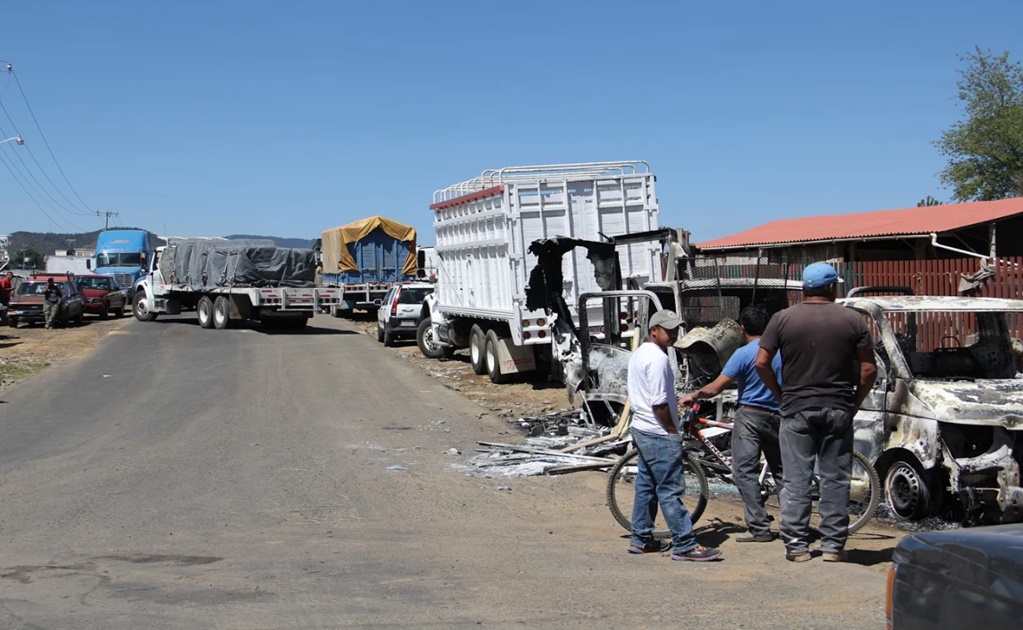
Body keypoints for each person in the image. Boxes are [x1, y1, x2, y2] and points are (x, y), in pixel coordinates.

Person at [755, 262, 876, 563]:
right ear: (833, 287)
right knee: (835, 480)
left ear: (805, 288)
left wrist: (781, 396)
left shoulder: (782, 319)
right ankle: (833, 547)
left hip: (796, 409)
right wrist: (855, 402)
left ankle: (796, 546)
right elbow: (869, 369)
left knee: (796, 479)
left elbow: (761, 362)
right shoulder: (854, 320)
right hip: (838, 407)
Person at [680, 305, 784, 543]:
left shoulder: (744, 354)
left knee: (744, 472)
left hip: (751, 418)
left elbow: (715, 388)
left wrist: (694, 395)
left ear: (742, 329)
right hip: (779, 415)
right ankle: (792, 528)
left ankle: (760, 528)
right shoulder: (780, 351)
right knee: (783, 474)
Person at [626, 309, 723, 562]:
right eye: (668, 330)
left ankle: (641, 539)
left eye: (675, 330)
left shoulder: (640, 354)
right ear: (653, 330)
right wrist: (671, 431)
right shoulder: (657, 359)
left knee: (646, 487)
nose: (673, 335)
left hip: (642, 428)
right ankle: (684, 544)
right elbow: (658, 403)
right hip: (658, 432)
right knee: (669, 489)